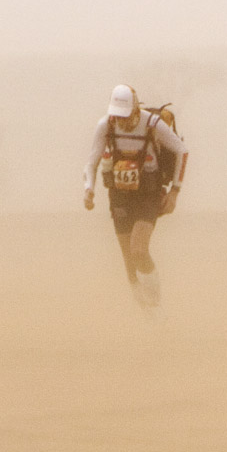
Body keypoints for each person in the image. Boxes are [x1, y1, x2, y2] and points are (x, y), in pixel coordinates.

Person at [84, 85, 188, 309]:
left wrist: (175, 191)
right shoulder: (106, 126)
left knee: (139, 250)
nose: (119, 119)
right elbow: (92, 161)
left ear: (134, 110)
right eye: (116, 114)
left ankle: (156, 300)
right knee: (129, 262)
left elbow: (181, 150)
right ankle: (148, 315)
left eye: (123, 115)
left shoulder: (152, 124)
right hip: (119, 196)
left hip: (147, 195)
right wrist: (88, 189)